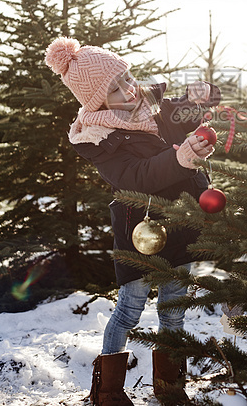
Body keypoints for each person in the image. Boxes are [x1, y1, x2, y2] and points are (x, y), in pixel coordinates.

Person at [45, 37, 221, 406]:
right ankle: (107, 392)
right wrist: (183, 159)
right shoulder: (99, 139)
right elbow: (136, 177)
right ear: (97, 100)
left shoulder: (152, 105)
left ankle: (171, 388)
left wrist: (204, 94)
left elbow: (190, 111)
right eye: (115, 87)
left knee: (173, 309)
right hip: (141, 233)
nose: (128, 89)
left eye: (127, 77)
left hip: (181, 222)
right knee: (129, 308)